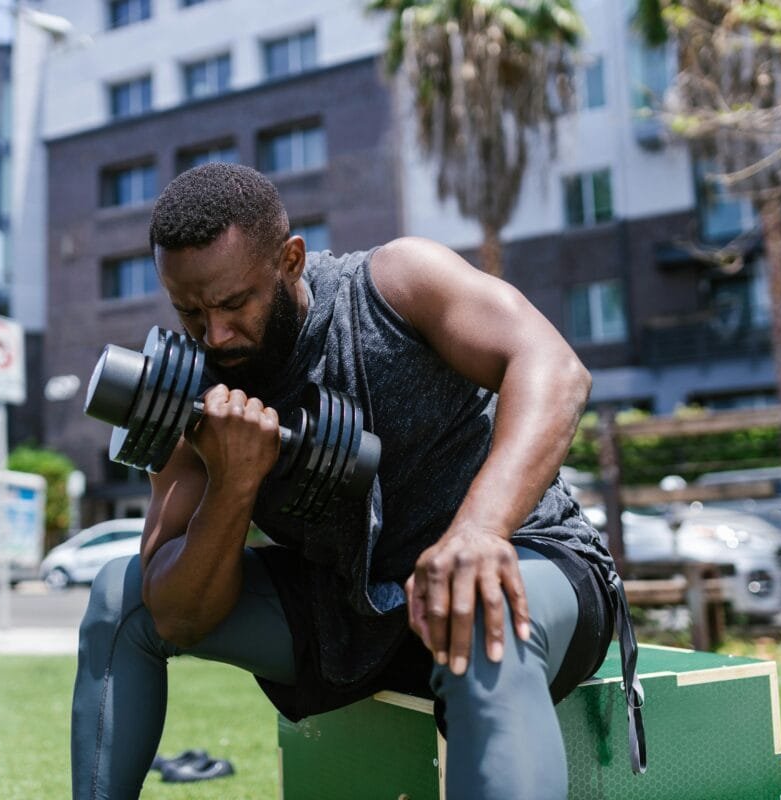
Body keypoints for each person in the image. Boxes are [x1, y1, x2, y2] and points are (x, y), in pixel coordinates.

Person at [71, 163, 643, 800]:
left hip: (522, 562)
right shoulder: (192, 393)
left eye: (235, 304)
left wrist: (480, 531)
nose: (216, 334)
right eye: (190, 312)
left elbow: (555, 367)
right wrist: (232, 485)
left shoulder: (395, 285)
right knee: (121, 596)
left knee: (484, 614)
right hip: (351, 615)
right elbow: (176, 614)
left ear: (289, 260)